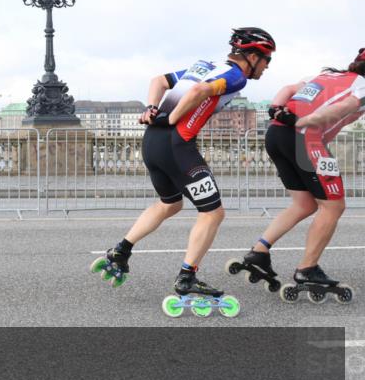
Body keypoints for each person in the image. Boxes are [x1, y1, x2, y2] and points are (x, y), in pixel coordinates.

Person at [93, 27, 275, 304]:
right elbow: (201, 91)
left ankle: (121, 251)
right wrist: (172, 117)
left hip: (152, 142)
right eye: (267, 60)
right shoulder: (237, 77)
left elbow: (159, 81)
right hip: (176, 146)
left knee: (170, 203)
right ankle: (187, 277)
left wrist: (153, 109)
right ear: (252, 56)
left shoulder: (204, 65)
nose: (267, 67)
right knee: (213, 213)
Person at [231, 47, 365, 302]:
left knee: (304, 204)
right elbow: (339, 110)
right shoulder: (362, 87)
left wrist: (276, 109)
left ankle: (259, 252)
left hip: (276, 134)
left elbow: (289, 89)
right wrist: (302, 122)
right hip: (306, 139)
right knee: (333, 207)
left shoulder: (327, 75)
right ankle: (307, 269)